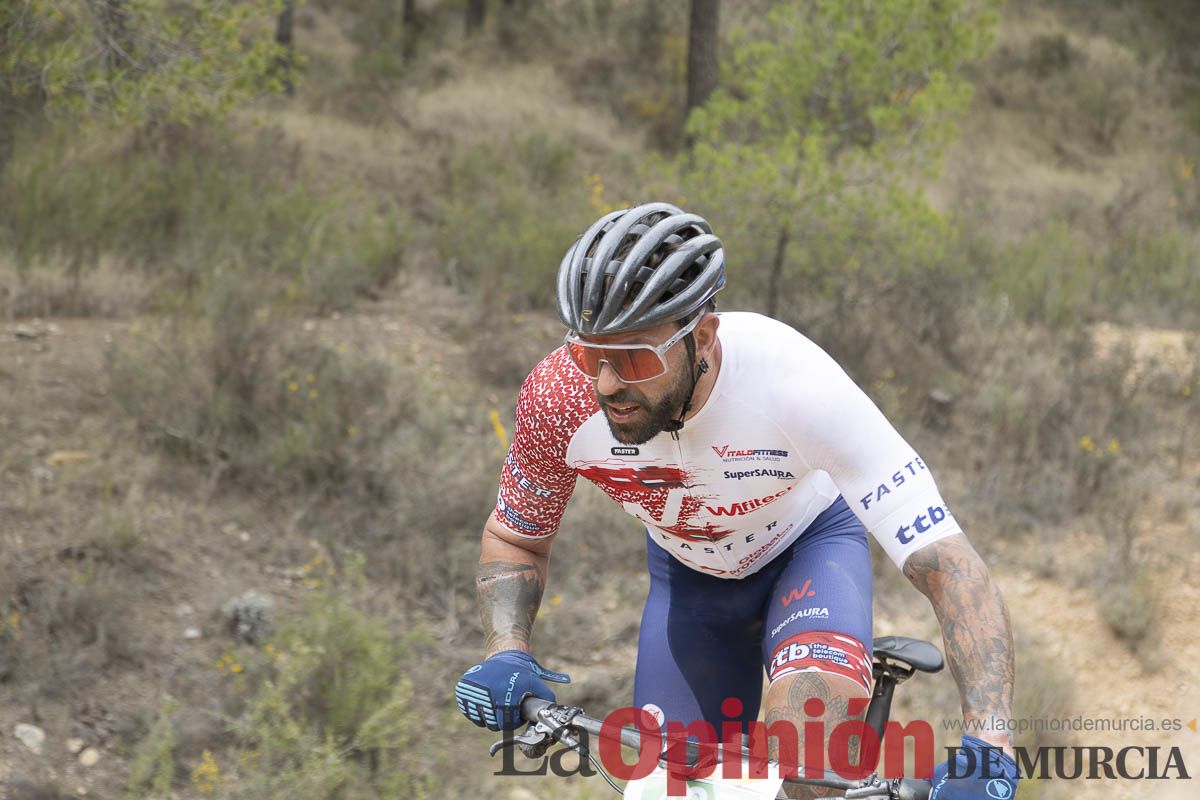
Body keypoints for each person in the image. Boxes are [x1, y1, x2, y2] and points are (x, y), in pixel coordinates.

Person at [455, 203, 1019, 799]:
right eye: (589, 355)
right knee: (671, 790)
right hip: (690, 583)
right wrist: (506, 650)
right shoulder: (558, 399)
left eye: (634, 359)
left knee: (810, 746)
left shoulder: (793, 382)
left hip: (808, 552)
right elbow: (516, 538)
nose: (606, 384)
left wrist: (990, 745)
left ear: (701, 337)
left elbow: (948, 563)